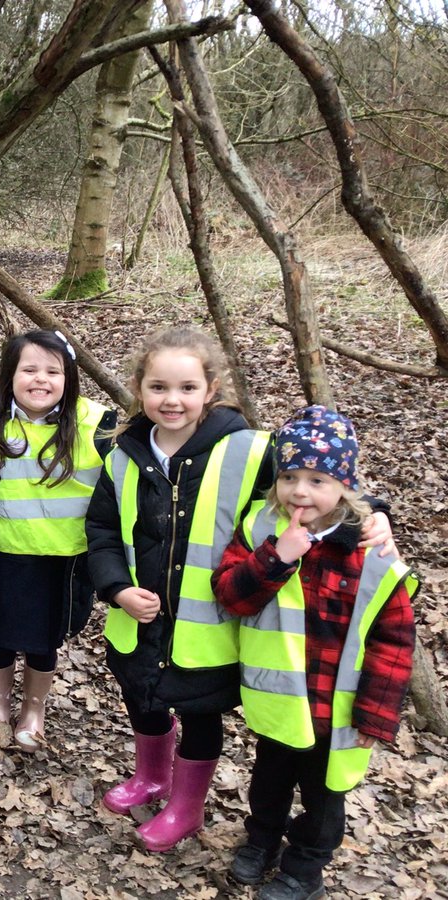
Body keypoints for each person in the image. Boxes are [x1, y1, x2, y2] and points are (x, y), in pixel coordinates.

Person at [85, 327, 393, 853]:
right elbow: (103, 532)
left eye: (186, 387)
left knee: (199, 716)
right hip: (137, 623)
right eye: (158, 387)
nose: (172, 400)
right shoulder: (122, 454)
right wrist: (116, 589)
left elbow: (315, 491)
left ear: (211, 388)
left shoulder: (250, 451)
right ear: (139, 388)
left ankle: (187, 805)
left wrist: (374, 515)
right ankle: (150, 776)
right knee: (142, 700)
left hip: (210, 628)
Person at [213, 406, 416, 900]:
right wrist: (275, 556)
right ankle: (260, 842)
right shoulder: (262, 526)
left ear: (345, 486)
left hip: (337, 707)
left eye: (317, 479)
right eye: (289, 476)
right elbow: (231, 595)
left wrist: (376, 715)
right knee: (269, 781)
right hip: (281, 699)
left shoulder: (370, 550)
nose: (300, 491)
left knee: (324, 800)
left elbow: (394, 639)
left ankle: (305, 868)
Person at [0, 330, 115, 750]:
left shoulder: (97, 424)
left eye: (53, 371)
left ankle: (34, 709)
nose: (41, 380)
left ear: (69, 378)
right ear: (9, 376)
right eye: (29, 369)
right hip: (2, 553)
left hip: (63, 559)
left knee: (44, 639)